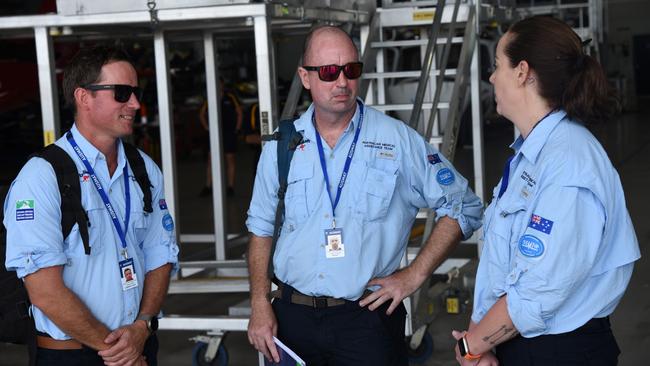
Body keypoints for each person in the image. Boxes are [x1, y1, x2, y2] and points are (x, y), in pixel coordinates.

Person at [246, 25, 483, 365]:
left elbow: (463, 206)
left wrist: (413, 275)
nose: (342, 82)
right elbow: (261, 229)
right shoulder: (282, 146)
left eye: (351, 70)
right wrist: (259, 304)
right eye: (328, 72)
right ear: (305, 77)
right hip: (291, 320)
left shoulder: (397, 141)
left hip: (367, 321)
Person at [452, 16, 640, 365]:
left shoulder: (568, 164)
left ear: (522, 72)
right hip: (518, 342)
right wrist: (482, 339)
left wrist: (471, 346)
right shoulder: (532, 154)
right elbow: (502, 264)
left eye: (497, 66)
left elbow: (536, 294)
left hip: (561, 352)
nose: (492, 78)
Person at [4, 45, 179, 366]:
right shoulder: (42, 176)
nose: (136, 104)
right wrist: (120, 352)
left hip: (138, 345)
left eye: (137, 92)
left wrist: (142, 325)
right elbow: (44, 291)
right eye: (122, 93)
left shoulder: (144, 169)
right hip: (72, 356)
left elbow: (160, 254)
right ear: (84, 97)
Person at [199, 78, 243, 197]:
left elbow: (239, 112)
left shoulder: (231, 97)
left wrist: (237, 129)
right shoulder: (209, 98)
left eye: (219, 84)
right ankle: (208, 186)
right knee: (211, 160)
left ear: (223, 85)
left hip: (229, 133)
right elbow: (202, 114)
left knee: (230, 159)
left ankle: (230, 187)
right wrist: (206, 127)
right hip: (214, 133)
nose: (218, 86)